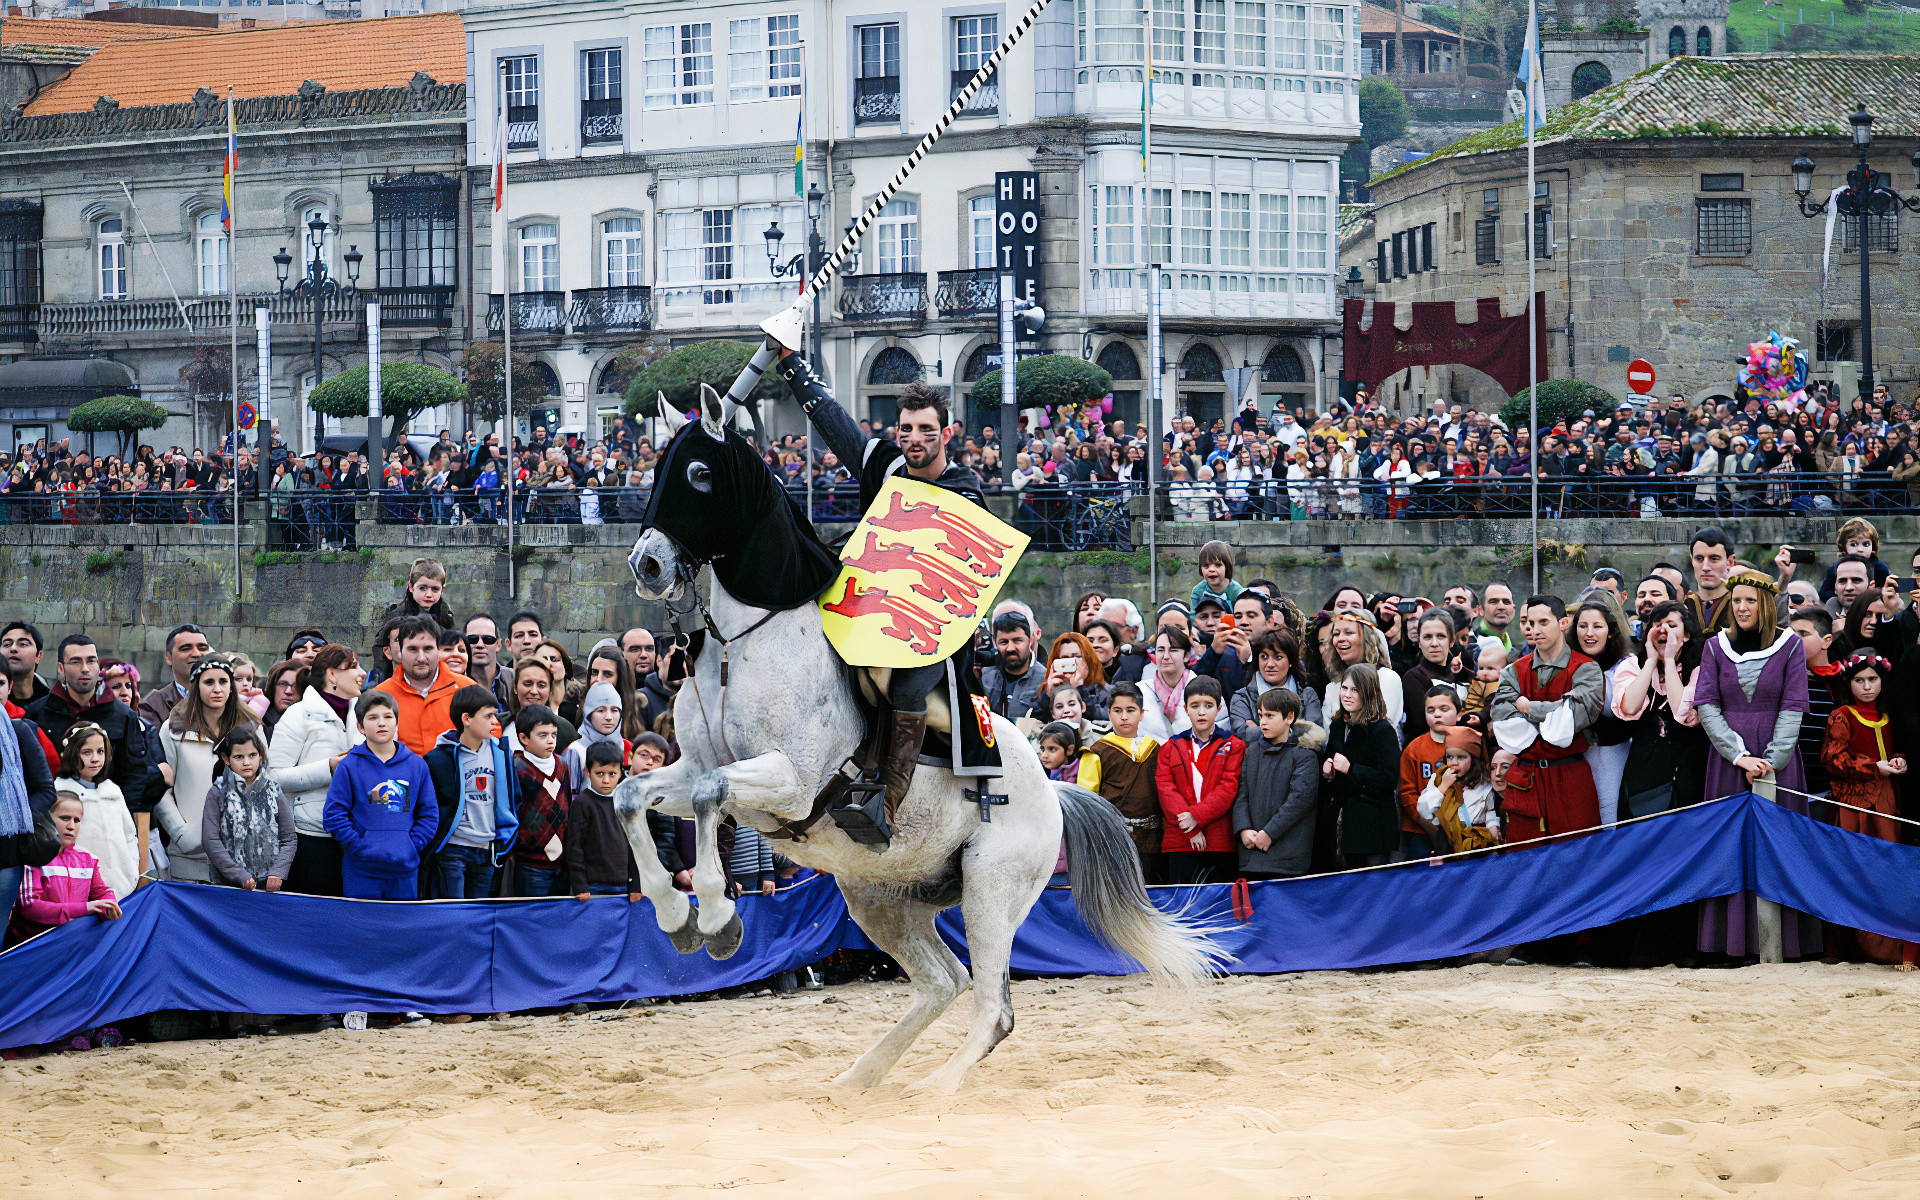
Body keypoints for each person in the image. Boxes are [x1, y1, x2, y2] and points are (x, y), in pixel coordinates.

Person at [778, 357, 986, 836]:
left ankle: (888, 799)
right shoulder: (887, 465)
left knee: (910, 684)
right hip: (870, 611)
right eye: (907, 428)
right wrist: (792, 365)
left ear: (947, 434)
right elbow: (835, 422)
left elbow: (968, 572)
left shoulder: (965, 493)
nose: (915, 438)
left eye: (926, 429)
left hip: (933, 625)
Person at [1692, 570, 1817, 962]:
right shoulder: (1714, 648)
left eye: (1750, 601)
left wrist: (1770, 762)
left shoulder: (1790, 645)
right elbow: (1707, 705)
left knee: (1779, 847)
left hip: (1778, 764)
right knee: (1730, 846)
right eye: (1736, 601)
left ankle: (1784, 946)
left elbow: (1794, 704)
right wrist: (1739, 756)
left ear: (1764, 604)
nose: (1742, 608)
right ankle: (1728, 945)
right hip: (1728, 764)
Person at [1820, 651, 1915, 968]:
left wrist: (1899, 759)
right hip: (1853, 804)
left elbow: (1898, 747)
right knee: (1853, 870)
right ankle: (1846, 948)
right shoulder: (1842, 715)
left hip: (1887, 801)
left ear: (1882, 681)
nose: (1867, 686)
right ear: (1850, 683)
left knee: (1886, 870)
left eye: (1872, 679)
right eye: (1859, 680)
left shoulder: (1889, 715)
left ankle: (1890, 948)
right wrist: (1874, 766)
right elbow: (1833, 758)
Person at [1489, 595, 1605, 845]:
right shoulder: (1513, 670)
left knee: (1577, 857)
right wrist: (1556, 713)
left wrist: (1527, 707)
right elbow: (1503, 724)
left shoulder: (1586, 668)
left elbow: (1574, 717)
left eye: (1544, 622)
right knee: (1523, 863)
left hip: (1570, 779)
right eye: (1530, 623)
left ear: (1563, 623)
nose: (1535, 629)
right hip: (1525, 782)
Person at [267, 644, 363, 898]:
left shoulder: (366, 713)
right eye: (353, 667)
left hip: (357, 835)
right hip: (310, 836)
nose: (362, 673)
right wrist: (329, 768)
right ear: (332, 674)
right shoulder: (297, 715)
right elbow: (273, 777)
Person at [322, 690, 436, 901]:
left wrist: (411, 845)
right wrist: (358, 846)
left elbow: (429, 814)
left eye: (388, 716)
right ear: (360, 727)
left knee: (400, 929)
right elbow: (333, 814)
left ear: (397, 722)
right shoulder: (349, 765)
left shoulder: (417, 765)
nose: (381, 723)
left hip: (404, 869)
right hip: (362, 870)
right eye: (373, 718)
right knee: (361, 929)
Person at [153, 657, 248, 883]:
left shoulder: (250, 728)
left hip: (242, 856)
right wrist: (181, 834)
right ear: (196, 686)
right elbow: (161, 788)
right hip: (190, 856)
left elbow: (264, 783)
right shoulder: (173, 729)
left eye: (224, 681)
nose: (217, 689)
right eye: (209, 682)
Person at [423, 685, 521, 901]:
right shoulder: (439, 759)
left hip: (487, 849)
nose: (495, 722)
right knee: (455, 914)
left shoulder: (501, 754)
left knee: (478, 914)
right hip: (453, 849)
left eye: (495, 715)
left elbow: (514, 798)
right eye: (488, 716)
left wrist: (505, 837)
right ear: (466, 719)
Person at [1152, 676, 1244, 885]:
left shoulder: (1233, 745)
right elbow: (1166, 790)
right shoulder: (1170, 746)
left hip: (1219, 844)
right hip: (1180, 842)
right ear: (1185, 709)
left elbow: (1227, 789)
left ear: (1219, 709)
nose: (1201, 711)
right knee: (1183, 909)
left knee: (1218, 910)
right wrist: (1191, 828)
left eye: (1208, 705)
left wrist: (1196, 816)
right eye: (1195, 705)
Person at [7, 794, 119, 946]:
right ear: (46, 818)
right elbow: (30, 907)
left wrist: (109, 905)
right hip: (34, 950)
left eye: (77, 820)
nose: (71, 826)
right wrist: (84, 909)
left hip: (73, 946)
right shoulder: (32, 857)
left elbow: (101, 892)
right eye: (65, 818)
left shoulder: (88, 859)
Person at [1231, 688, 1319, 879]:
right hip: (1252, 853)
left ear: (1289, 717)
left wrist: (1269, 833)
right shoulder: (1251, 751)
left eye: (1270, 716)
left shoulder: (1305, 755)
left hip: (1288, 860)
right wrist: (1244, 829)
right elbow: (1242, 794)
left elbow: (1299, 801)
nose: (1262, 722)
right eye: (1261, 715)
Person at [1320, 663, 1401, 869]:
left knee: (1375, 888)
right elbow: (1331, 764)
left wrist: (1351, 769)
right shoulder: (1338, 726)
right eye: (1344, 688)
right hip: (1343, 822)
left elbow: (1389, 779)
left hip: (1373, 824)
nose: (1347, 695)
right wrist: (1328, 773)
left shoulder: (1383, 730)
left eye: (1355, 690)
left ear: (1368, 692)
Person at [1081, 683, 1163, 881]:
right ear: (1109, 713)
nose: (1124, 716)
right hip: (1112, 839)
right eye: (1118, 711)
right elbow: (1087, 799)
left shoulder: (1156, 749)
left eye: (1131, 710)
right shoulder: (1097, 751)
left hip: (1151, 840)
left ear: (1142, 714)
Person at [201, 725, 296, 894]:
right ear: (226, 758)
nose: (246, 762)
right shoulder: (217, 792)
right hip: (228, 886)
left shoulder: (273, 790)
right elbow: (211, 841)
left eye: (252, 755)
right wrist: (239, 875)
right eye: (239, 757)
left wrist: (277, 872)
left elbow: (288, 837)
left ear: (260, 755)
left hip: (269, 887)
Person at [1572, 599, 1637, 825]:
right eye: (1583, 626)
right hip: (1575, 758)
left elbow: (1631, 718)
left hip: (1613, 756)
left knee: (1609, 816)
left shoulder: (1625, 665)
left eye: (1597, 626)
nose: (1589, 633)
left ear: (1610, 631)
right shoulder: (1567, 663)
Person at [374, 615, 477, 757]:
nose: (421, 658)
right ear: (400, 651)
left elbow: (491, 742)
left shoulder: (468, 690)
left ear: (438, 650)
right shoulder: (380, 696)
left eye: (428, 649)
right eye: (412, 649)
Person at [567, 740, 642, 901]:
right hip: (593, 886)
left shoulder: (625, 802)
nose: (606, 780)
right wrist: (580, 886)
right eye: (599, 773)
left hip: (623, 885)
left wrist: (637, 884)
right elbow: (574, 848)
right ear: (588, 772)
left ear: (621, 773)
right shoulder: (582, 803)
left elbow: (635, 845)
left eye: (612, 774)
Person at [510, 704, 570, 896]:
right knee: (531, 914)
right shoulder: (516, 767)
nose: (550, 740)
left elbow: (567, 802)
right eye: (542, 735)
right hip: (529, 861)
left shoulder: (562, 765)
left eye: (553, 734)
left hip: (561, 862)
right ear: (523, 738)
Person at [1415, 726, 1502, 854]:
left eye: (1461, 757)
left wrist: (1493, 833)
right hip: (1449, 846)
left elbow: (1490, 814)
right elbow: (1423, 811)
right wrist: (1443, 788)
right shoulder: (1438, 779)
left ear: (1473, 758)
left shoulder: (1484, 783)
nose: (1454, 762)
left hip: (1478, 845)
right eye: (1450, 757)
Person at [1397, 685, 1459, 860]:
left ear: (1458, 713)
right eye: (1430, 710)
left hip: (1461, 825)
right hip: (1422, 829)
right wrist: (1427, 824)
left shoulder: (1470, 743)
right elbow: (1406, 794)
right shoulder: (1414, 749)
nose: (1437, 714)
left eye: (1444, 709)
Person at [1789, 606, 1847, 794]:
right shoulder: (1782, 679)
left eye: (1803, 633)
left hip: (1827, 789)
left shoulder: (1841, 681)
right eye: (1791, 633)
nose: (1794, 639)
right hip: (1789, 785)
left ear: (1827, 641)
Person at [1228, 629, 1322, 743]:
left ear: (1291, 661)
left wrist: (1259, 731)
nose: (1270, 664)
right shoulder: (1242, 698)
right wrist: (1296, 730)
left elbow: (1315, 737)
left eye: (1278, 657)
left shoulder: (1307, 695)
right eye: (1264, 657)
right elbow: (1243, 737)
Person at [139, 623, 211, 729]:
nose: (196, 653)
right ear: (169, 658)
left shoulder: (226, 697)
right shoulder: (153, 704)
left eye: (202, 648)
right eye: (186, 648)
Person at [563, 680, 628, 793]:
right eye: (601, 710)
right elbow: (569, 794)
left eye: (614, 710)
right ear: (588, 714)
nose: (609, 717)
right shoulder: (577, 750)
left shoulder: (627, 747)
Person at [981, 610, 1045, 722]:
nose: (1010, 648)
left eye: (1017, 641)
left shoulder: (1045, 680)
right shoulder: (983, 678)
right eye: (1004, 642)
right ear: (995, 643)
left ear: (1030, 641)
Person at [1139, 626, 1196, 741]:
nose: (1165, 656)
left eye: (1173, 650)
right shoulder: (1140, 692)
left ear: (1187, 656)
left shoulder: (1205, 691)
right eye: (1160, 650)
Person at [1686, 526, 1740, 636]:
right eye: (1699, 559)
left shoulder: (1742, 607)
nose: (1705, 567)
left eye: (1714, 559)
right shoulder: (1684, 608)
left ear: (1730, 562)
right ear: (1692, 561)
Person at [378, 557, 455, 631]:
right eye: (422, 588)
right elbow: (380, 643)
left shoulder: (446, 615)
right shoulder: (396, 616)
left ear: (442, 589)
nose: (429, 594)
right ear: (411, 587)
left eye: (435, 589)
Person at [464, 614, 512, 709]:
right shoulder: (453, 683)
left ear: (498, 644)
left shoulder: (516, 680)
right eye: (472, 639)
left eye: (488, 639)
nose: (480, 645)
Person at [1189, 540, 1244, 613]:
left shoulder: (1237, 591)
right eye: (1206, 565)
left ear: (1227, 567)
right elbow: (1194, 617)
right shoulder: (1198, 591)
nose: (1211, 569)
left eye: (1218, 565)